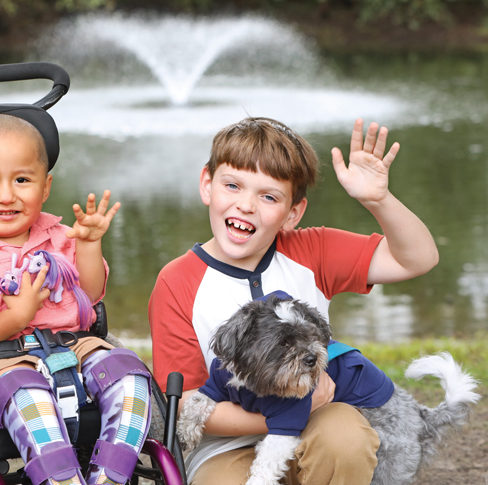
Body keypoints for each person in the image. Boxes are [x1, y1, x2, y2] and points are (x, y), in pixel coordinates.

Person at [148, 117, 439, 484]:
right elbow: (187, 400)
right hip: (227, 442)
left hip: (320, 420)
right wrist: (276, 419)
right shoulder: (177, 281)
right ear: (207, 185)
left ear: (292, 214)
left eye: (268, 196)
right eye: (233, 185)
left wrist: (378, 200)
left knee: (347, 441)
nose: (246, 205)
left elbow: (418, 259)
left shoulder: (311, 248)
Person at [0, 113, 151, 485]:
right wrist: (14, 318)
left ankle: (109, 475)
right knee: (28, 394)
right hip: (5, 360)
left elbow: (92, 292)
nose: (6, 195)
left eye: (22, 180)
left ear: (45, 186)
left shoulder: (60, 236)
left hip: (74, 345)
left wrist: (87, 243)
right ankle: (61, 478)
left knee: (130, 375)